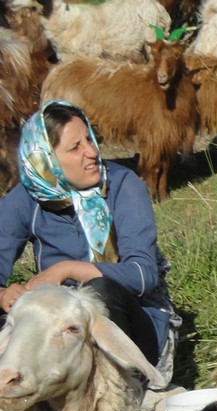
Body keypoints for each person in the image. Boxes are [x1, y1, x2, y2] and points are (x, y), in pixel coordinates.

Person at [0, 101, 178, 377]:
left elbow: (143, 276)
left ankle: (120, 387)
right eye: (75, 148)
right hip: (58, 324)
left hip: (131, 322)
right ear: (45, 161)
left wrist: (66, 269)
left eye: (89, 139)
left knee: (101, 290)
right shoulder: (25, 199)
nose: (92, 152)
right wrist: (4, 295)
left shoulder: (123, 186)